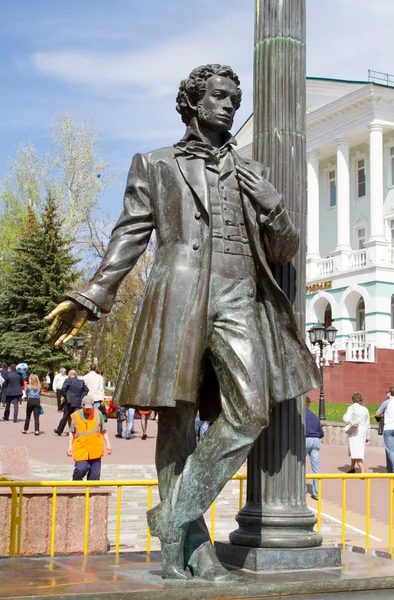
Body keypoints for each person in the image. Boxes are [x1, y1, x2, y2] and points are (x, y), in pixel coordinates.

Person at [45, 64, 319, 580]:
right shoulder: (155, 164)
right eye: (218, 96)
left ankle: (170, 519)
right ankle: (189, 549)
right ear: (192, 102)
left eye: (234, 100)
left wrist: (273, 203)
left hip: (239, 298)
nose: (229, 106)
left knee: (250, 413)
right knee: (176, 419)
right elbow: (129, 236)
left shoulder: (252, 170)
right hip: (178, 297)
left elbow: (284, 250)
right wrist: (90, 296)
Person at [67, 394, 112, 480]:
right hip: (81, 449)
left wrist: (108, 444)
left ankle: (92, 492)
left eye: (90, 407)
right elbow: (72, 432)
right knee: (81, 469)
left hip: (95, 449)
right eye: (86, 408)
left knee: (94, 476)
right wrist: (69, 446)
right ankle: (76, 482)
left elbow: (103, 430)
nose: (88, 409)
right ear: (82, 405)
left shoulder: (98, 414)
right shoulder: (75, 416)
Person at [54, 370, 88, 436]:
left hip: (69, 402)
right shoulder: (81, 382)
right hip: (78, 402)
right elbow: (86, 390)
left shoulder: (68, 380)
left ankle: (59, 430)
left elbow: (63, 389)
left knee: (65, 416)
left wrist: (66, 397)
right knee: (77, 417)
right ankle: (80, 431)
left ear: (70, 375)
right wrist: (81, 397)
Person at [343, 392, 370, 473]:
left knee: (356, 451)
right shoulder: (365, 409)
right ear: (361, 400)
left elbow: (346, 418)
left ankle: (362, 470)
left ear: (353, 399)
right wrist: (368, 437)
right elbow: (368, 423)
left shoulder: (352, 408)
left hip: (355, 432)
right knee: (355, 450)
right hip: (363, 432)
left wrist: (349, 421)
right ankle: (352, 468)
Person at [305, 397, 324, 500]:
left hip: (304, 439)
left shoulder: (300, 415)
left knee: (299, 466)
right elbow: (321, 433)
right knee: (316, 469)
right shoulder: (314, 416)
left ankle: (302, 490)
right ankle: (316, 493)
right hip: (316, 440)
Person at [375, 387, 394, 473]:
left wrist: (382, 415)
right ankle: (389, 470)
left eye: (387, 392)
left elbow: (378, 414)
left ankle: (392, 470)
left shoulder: (386, 403)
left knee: (390, 450)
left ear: (390, 393)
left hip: (389, 428)